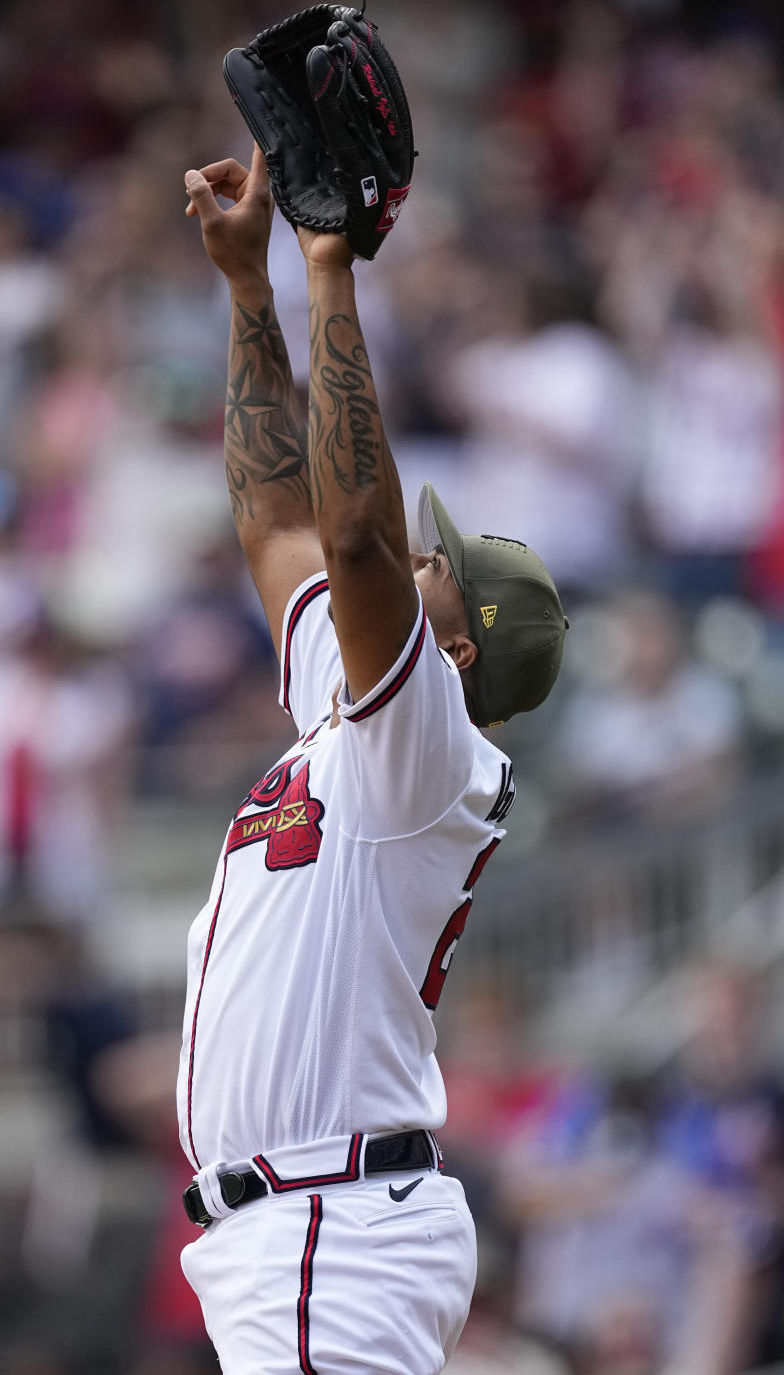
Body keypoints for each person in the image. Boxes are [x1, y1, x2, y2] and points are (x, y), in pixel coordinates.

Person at [177, 144, 568, 1375]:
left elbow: (348, 538)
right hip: (299, 1230)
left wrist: (329, 273)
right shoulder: (353, 713)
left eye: (431, 565)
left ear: (453, 648)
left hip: (328, 1231)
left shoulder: (426, 747)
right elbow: (279, 521)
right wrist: (250, 291)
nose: (412, 552)